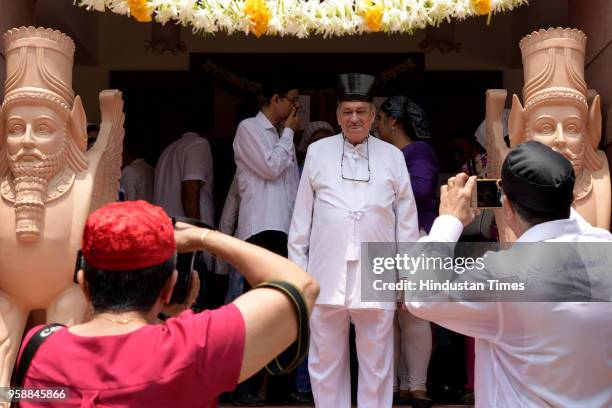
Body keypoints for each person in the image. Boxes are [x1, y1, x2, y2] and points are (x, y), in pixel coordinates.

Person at [17, 200, 319, 408]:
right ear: (171, 285)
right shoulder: (192, 348)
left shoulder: (39, 347)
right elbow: (301, 286)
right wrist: (205, 238)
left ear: (83, 284)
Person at [407, 141, 612, 407]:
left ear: (510, 210)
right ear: (569, 198)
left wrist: (448, 221)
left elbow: (422, 296)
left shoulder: (504, 274)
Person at [289, 73, 419, 408]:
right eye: (347, 111)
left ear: (374, 115)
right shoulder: (317, 152)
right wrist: (296, 277)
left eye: (361, 111)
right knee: (324, 361)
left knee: (377, 364)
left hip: (377, 270)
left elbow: (406, 224)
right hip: (324, 270)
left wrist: (406, 277)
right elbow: (301, 220)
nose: (354, 118)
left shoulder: (393, 157)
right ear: (337, 115)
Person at [232, 79, 301, 405]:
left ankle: (279, 389)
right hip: (261, 230)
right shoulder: (249, 128)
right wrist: (289, 133)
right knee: (258, 311)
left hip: (284, 231)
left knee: (285, 310)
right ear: (275, 99)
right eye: (292, 100)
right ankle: (245, 389)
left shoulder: (278, 136)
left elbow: (294, 188)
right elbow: (271, 169)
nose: (296, 108)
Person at [376, 95, 438, 407]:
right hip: (386, 241)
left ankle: (417, 385)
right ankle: (398, 384)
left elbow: (423, 188)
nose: (375, 125)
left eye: (379, 118)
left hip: (416, 238)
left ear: (393, 121)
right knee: (388, 316)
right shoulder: (386, 154)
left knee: (414, 314)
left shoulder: (417, 151)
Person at [153, 131, 214, 227]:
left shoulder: (167, 150)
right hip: (186, 232)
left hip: (164, 228)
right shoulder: (198, 144)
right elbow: (190, 188)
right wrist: (197, 230)